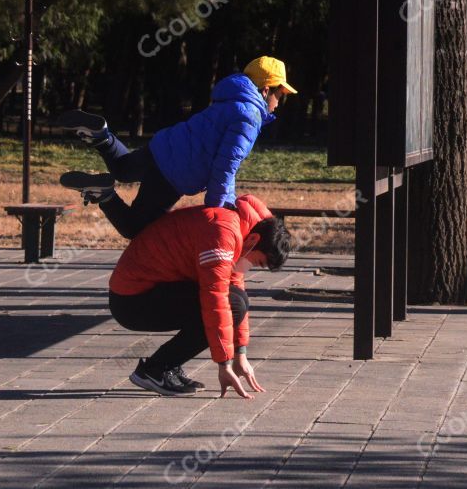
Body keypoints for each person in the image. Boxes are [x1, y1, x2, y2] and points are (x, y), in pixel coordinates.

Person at [58, 56, 297, 239]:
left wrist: (228, 198)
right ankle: (105, 194)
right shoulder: (251, 117)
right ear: (266, 90)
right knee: (135, 228)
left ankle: (101, 136)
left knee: (122, 168)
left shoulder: (231, 101)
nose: (279, 102)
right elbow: (226, 164)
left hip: (165, 147)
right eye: (280, 94)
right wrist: (217, 210)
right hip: (176, 175)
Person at [108, 194, 291, 398]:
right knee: (231, 306)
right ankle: (155, 370)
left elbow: (234, 286)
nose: (252, 267)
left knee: (238, 302)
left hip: (148, 287)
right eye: (258, 263)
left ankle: (167, 365)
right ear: (255, 240)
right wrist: (224, 364)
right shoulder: (222, 233)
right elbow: (216, 299)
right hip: (131, 300)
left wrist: (241, 354)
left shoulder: (242, 226)